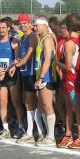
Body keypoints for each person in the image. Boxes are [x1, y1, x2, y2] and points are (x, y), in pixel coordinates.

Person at [56, 13, 80, 149]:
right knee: (70, 107)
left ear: (68, 26)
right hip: (77, 77)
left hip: (72, 78)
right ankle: (68, 135)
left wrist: (55, 62)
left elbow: (68, 67)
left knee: (76, 108)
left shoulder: (69, 43)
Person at [0, 18, 21, 139]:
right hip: (0, 74)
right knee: (2, 103)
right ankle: (5, 128)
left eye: (3, 27)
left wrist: (6, 71)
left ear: (8, 28)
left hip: (11, 75)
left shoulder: (14, 41)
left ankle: (21, 126)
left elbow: (17, 59)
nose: (1, 30)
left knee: (16, 102)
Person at [14, 14, 42, 142]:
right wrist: (17, 61)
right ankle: (35, 131)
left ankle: (34, 132)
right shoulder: (22, 37)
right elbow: (21, 55)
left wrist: (18, 64)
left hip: (31, 73)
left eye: (25, 23)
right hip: (25, 72)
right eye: (20, 23)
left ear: (30, 23)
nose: (22, 25)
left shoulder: (32, 36)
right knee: (28, 102)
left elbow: (30, 53)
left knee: (32, 101)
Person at [33, 18, 58, 146]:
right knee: (42, 105)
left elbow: (48, 59)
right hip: (42, 75)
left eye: (37, 25)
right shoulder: (42, 38)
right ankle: (48, 133)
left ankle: (51, 137)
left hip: (47, 76)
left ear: (45, 26)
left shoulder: (48, 39)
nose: (35, 28)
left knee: (47, 105)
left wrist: (41, 77)